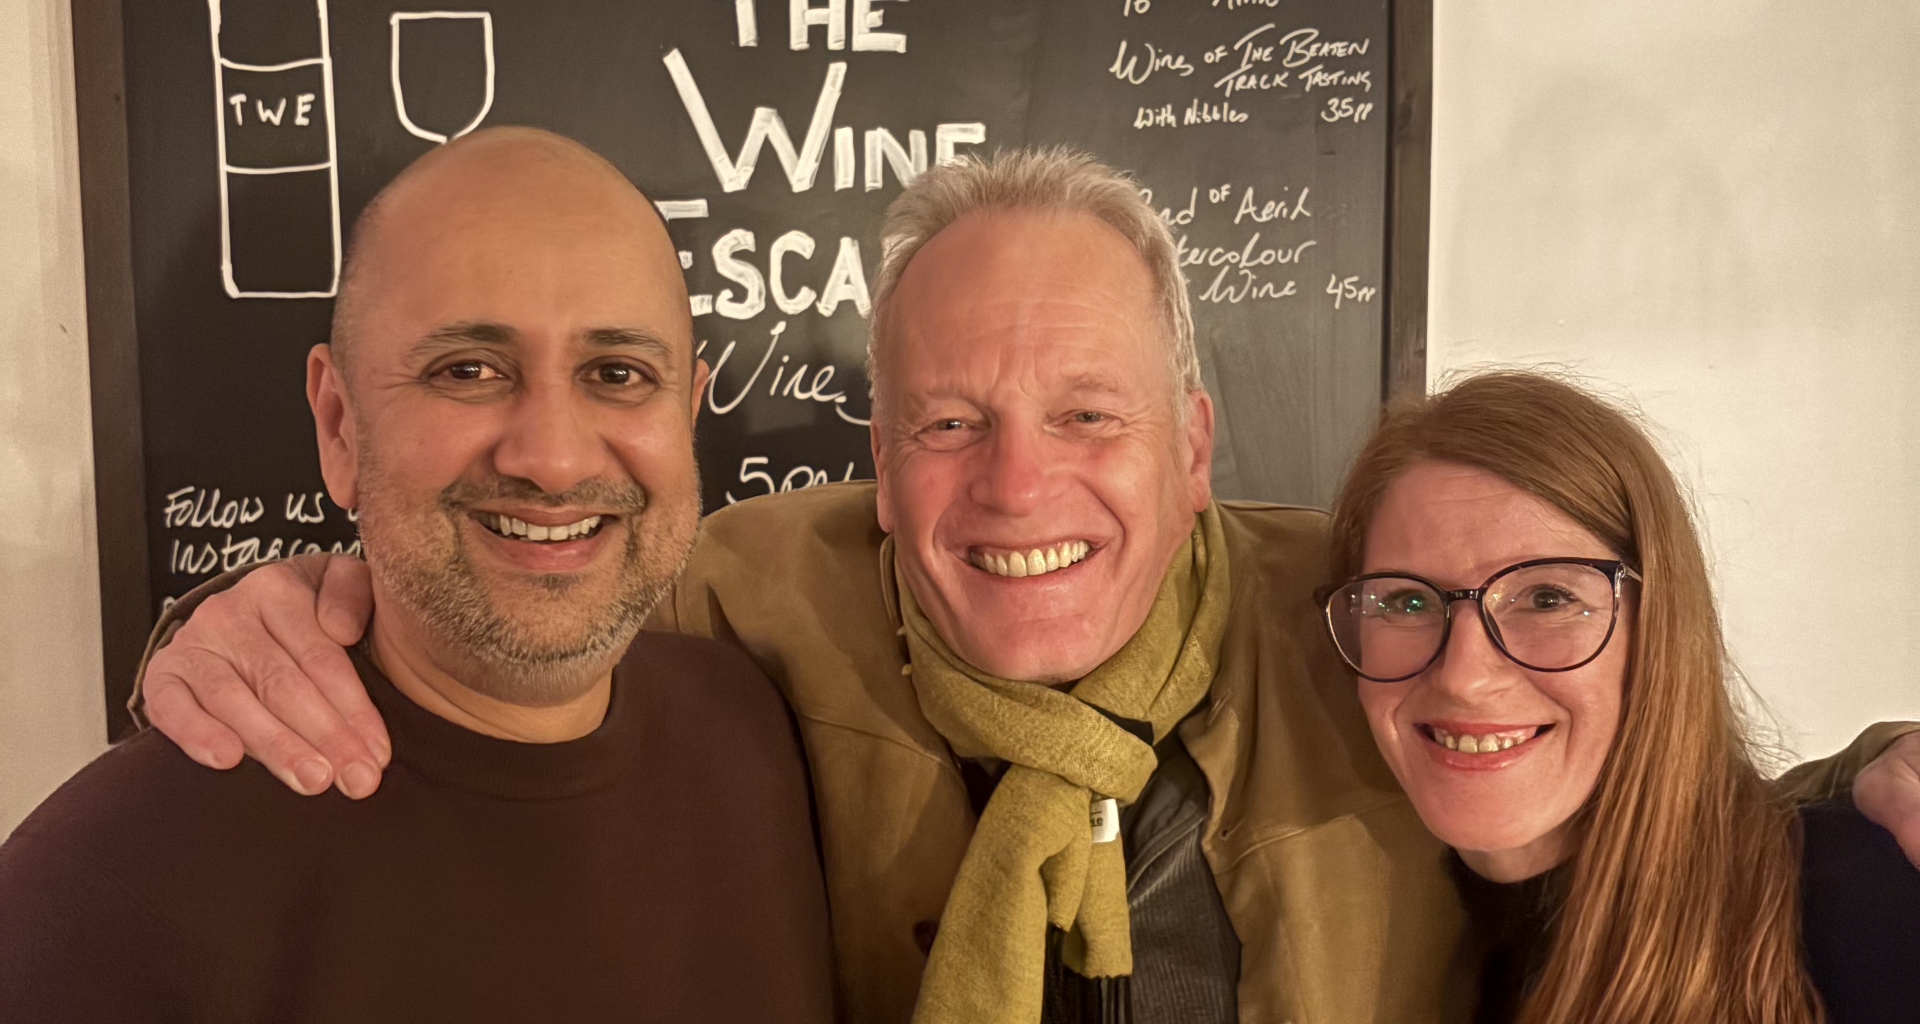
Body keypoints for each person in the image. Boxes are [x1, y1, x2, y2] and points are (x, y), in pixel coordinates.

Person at [126, 149, 1920, 1024]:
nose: (1016, 485)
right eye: (951, 419)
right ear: (877, 462)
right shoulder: (746, 591)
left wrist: (1865, 778)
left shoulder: (1369, 612)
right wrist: (264, 609)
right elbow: (505, 595)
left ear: (1196, 442)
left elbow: (1623, 782)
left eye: (1088, 413)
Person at [0, 129, 834, 1023]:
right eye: (467, 370)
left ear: (688, 412)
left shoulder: (767, 728)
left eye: (618, 373)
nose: (552, 459)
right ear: (339, 426)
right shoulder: (101, 895)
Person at [1316, 370, 1920, 1024]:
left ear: (1660, 625)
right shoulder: (1392, 934)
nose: (1465, 675)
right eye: (1406, 601)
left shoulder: (1871, 913)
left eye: (1548, 598)